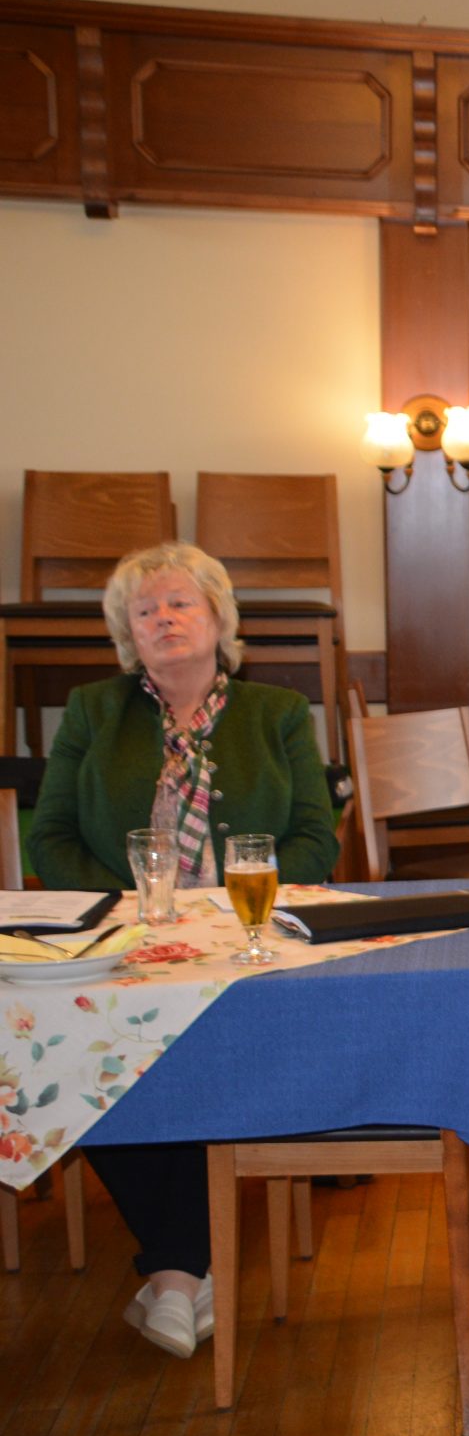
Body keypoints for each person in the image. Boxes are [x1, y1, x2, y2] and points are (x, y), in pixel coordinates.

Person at [31, 542, 339, 1358]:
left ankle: (174, 1275)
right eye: (145, 609)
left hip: (245, 943)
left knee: (202, 1047)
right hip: (127, 943)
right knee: (82, 1047)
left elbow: (317, 839)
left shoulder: (277, 712)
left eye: (180, 603)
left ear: (217, 618)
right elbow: (49, 836)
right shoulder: (93, 710)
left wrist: (230, 908)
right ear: (127, 632)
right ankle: (185, 1274)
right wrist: (134, 910)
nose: (164, 618)